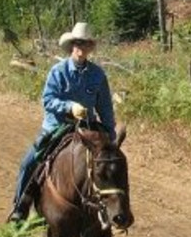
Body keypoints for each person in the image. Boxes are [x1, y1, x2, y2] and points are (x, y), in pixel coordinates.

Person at [8, 22, 117, 223]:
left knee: (112, 166)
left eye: (85, 44)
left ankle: (113, 209)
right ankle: (20, 207)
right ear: (71, 45)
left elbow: (105, 108)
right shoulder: (57, 72)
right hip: (57, 127)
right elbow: (48, 100)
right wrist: (69, 107)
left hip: (87, 128)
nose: (81, 47)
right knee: (30, 161)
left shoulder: (98, 75)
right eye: (77, 43)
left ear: (90, 47)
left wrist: (111, 136)